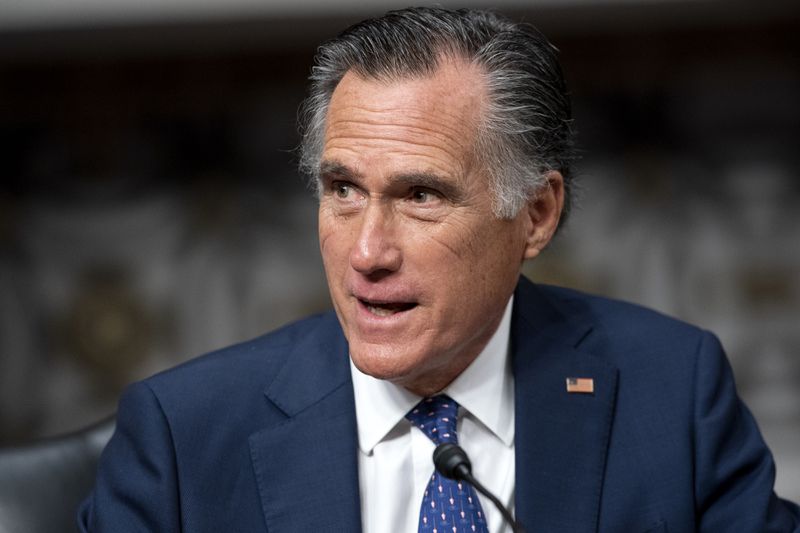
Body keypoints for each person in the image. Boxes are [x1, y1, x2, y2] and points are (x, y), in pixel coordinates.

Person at [79, 7, 799, 532]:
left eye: (421, 196)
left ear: (537, 214)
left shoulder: (672, 391)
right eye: (343, 189)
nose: (367, 253)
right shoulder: (183, 438)